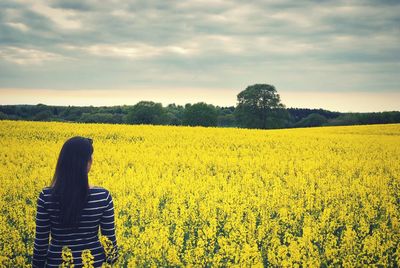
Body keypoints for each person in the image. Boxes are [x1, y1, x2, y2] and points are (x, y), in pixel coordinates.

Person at [32, 136, 119, 267]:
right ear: (88, 162)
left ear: (62, 162)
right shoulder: (103, 196)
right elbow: (109, 241)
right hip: (95, 263)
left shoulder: (46, 196)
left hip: (57, 263)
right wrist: (114, 264)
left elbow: (41, 243)